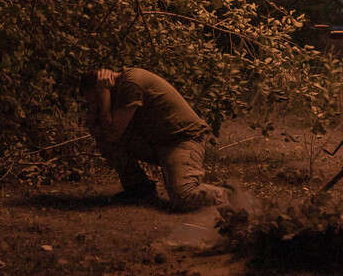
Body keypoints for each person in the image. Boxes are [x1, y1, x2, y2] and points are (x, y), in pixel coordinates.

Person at [79, 67, 230, 211]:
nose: (95, 106)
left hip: (182, 140)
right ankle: (139, 190)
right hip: (158, 142)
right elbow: (100, 132)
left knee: (184, 197)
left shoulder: (131, 83)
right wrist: (97, 105)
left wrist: (103, 94)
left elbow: (113, 134)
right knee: (104, 139)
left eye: (94, 101)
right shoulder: (116, 91)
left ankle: (228, 194)